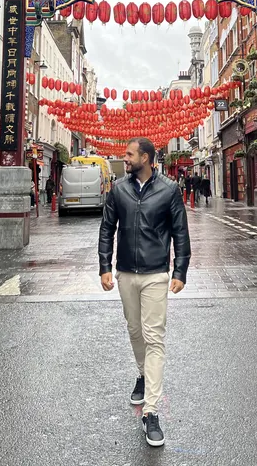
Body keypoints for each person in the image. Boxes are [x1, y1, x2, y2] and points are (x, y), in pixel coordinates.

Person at [98, 137, 191, 448]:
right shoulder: (119, 189)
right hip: (125, 271)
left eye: (129, 154)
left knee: (154, 337)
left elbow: (180, 231)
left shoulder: (169, 189)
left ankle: (151, 411)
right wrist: (104, 266)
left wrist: (180, 271)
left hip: (155, 274)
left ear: (147, 158)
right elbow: (107, 227)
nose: (124, 158)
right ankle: (142, 373)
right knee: (134, 331)